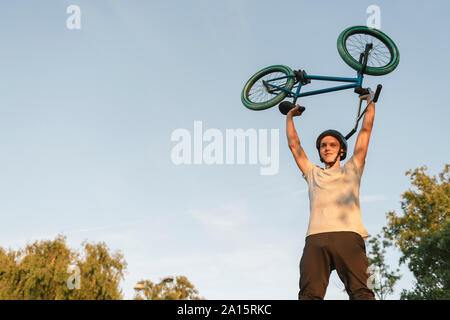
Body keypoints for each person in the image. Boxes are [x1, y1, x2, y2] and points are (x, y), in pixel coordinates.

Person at [285, 94, 376, 300]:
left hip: (348, 237)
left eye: (332, 145)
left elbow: (365, 131)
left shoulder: (352, 168)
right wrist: (289, 117)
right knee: (308, 295)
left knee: (362, 292)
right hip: (315, 239)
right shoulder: (312, 173)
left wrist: (369, 103)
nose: (327, 148)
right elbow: (294, 145)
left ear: (341, 150)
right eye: (323, 145)